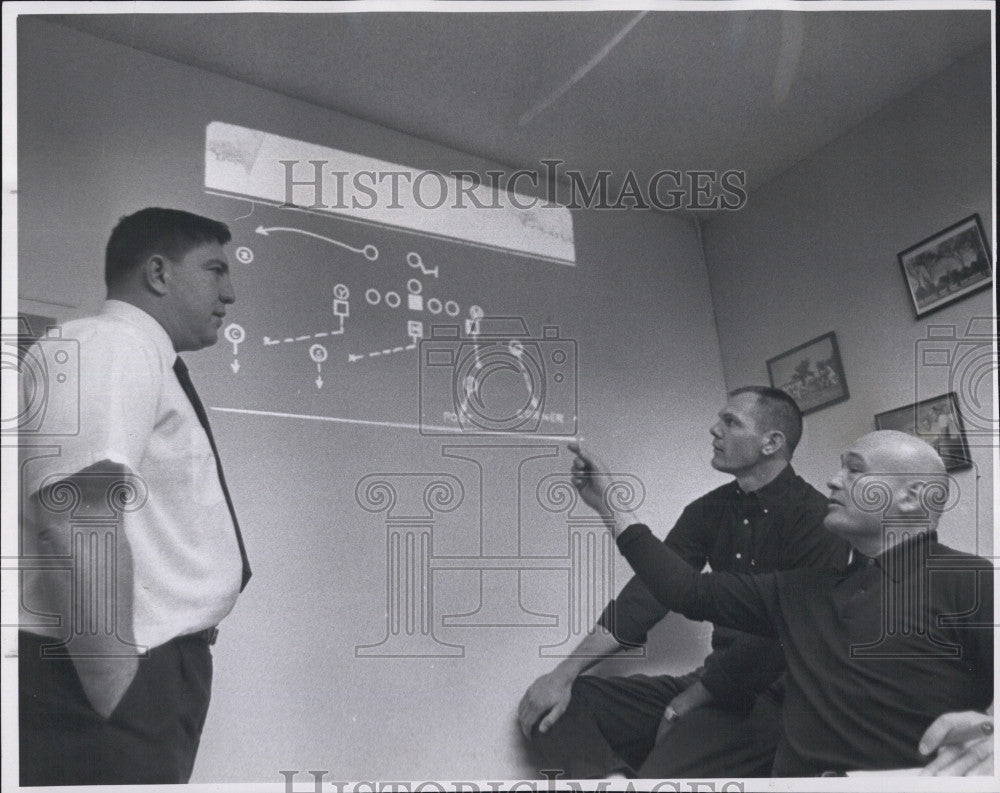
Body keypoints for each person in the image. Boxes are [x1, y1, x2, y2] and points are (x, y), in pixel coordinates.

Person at [571, 430, 993, 775]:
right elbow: (686, 590)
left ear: (909, 497)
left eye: (854, 470)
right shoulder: (803, 590)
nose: (833, 479)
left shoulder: (968, 580)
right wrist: (611, 505)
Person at [18, 207, 251, 785]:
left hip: (147, 673)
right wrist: (118, 695)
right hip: (115, 682)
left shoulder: (136, 353)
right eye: (215, 270)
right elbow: (76, 515)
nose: (231, 293)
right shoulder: (110, 342)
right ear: (158, 273)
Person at [518, 387, 850, 777]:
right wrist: (564, 673)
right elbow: (648, 595)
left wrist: (687, 702)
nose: (714, 429)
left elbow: (782, 640)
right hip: (711, 684)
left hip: (778, 700)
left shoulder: (816, 518)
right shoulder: (708, 510)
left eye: (730, 422)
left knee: (665, 770)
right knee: (555, 706)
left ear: (771, 442)